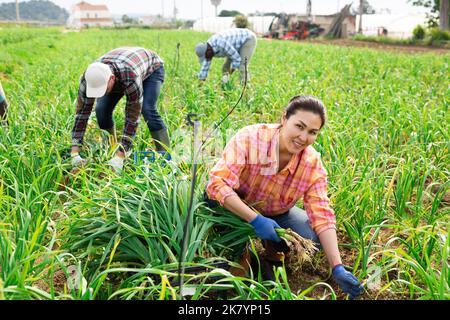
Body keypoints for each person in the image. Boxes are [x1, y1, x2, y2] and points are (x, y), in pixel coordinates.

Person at [205, 95, 363, 299]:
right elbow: (217, 184)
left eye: (312, 132)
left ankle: (273, 247)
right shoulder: (251, 138)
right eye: (299, 126)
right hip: (235, 207)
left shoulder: (311, 163)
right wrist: (255, 219)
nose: (303, 137)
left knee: (308, 235)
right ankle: (241, 250)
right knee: (215, 208)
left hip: (276, 212)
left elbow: (322, 214)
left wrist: (337, 266)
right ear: (284, 118)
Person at [70, 47, 170, 173]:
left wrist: (122, 155)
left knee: (148, 109)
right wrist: (74, 152)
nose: (100, 94)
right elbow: (81, 114)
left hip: (151, 69)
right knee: (101, 110)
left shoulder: (130, 76)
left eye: (102, 89)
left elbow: (132, 117)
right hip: (122, 66)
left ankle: (165, 156)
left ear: (111, 79)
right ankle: (110, 150)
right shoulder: (88, 79)